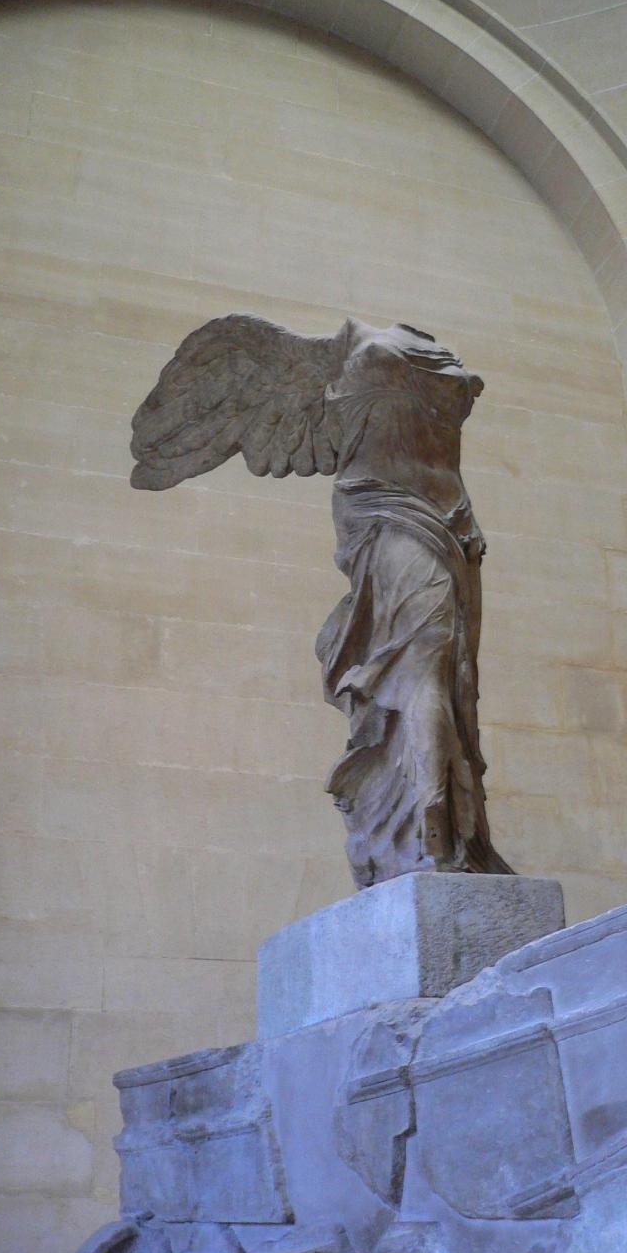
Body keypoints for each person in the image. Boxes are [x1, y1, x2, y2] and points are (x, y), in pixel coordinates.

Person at [130, 313, 513, 887]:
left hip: (441, 523)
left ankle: (449, 828)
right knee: (427, 666)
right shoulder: (372, 355)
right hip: (400, 517)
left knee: (448, 680)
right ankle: (434, 819)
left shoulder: (407, 357)